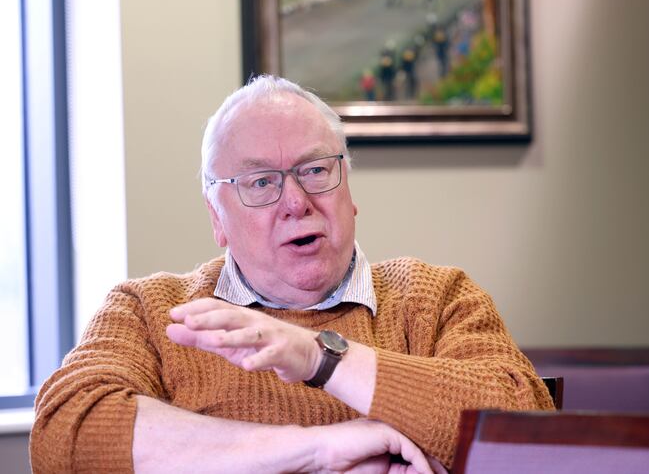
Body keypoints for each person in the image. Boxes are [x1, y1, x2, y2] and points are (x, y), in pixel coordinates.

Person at [30, 75, 554, 473]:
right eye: (261, 182)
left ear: (348, 187)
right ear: (218, 217)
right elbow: (65, 433)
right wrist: (316, 450)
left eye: (315, 170)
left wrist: (319, 358)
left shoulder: (436, 299)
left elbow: (524, 424)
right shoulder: (152, 310)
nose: (295, 203)